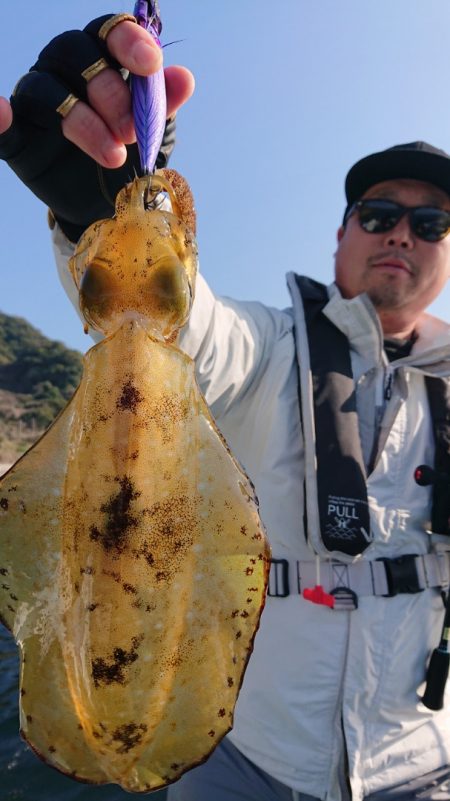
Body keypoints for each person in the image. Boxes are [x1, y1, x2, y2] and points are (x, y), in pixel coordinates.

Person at [1, 12, 450, 801]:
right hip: (247, 762)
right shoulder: (270, 344)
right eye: (378, 216)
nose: (401, 236)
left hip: (423, 765)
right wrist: (94, 217)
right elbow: (188, 333)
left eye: (432, 223)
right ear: (340, 234)